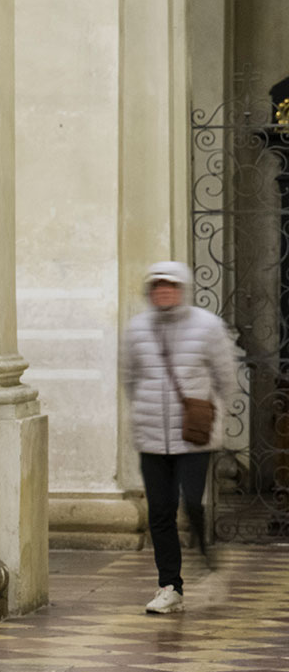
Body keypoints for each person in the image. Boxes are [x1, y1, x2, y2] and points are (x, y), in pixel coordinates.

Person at [121, 261, 238, 615]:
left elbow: (225, 378)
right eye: (157, 286)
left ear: (182, 289)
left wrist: (213, 421)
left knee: (192, 503)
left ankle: (207, 557)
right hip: (152, 438)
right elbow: (130, 378)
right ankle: (170, 586)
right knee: (160, 511)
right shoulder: (137, 329)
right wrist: (144, 415)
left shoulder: (207, 326)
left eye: (170, 286)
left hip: (193, 437)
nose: (163, 292)